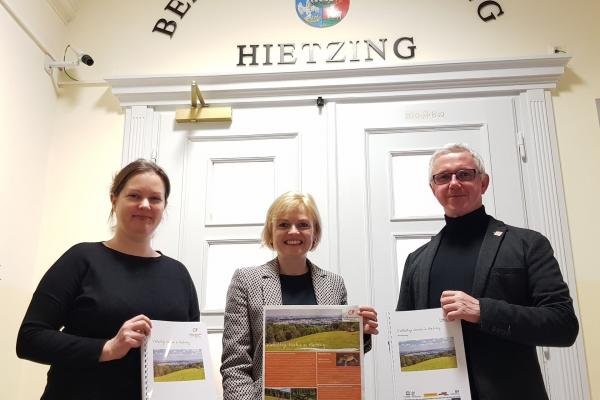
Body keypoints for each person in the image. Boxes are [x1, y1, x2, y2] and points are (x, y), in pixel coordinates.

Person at [396, 143, 579, 400]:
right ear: (433, 188)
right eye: (444, 177)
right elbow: (406, 337)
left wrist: (483, 311)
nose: (454, 183)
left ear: (483, 183)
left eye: (465, 174)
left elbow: (563, 326)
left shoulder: (527, 244)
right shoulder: (416, 260)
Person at [16, 159, 200, 400]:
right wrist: (107, 348)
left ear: (164, 206)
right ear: (114, 200)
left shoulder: (179, 274)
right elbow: (30, 339)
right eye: (134, 195)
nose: (145, 205)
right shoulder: (81, 259)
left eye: (155, 199)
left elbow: (190, 354)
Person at [221, 191, 378, 400]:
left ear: (315, 234)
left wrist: (359, 333)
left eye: (303, 225)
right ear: (271, 232)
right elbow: (235, 364)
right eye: (283, 225)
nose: (293, 232)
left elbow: (341, 358)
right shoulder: (246, 280)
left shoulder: (334, 284)